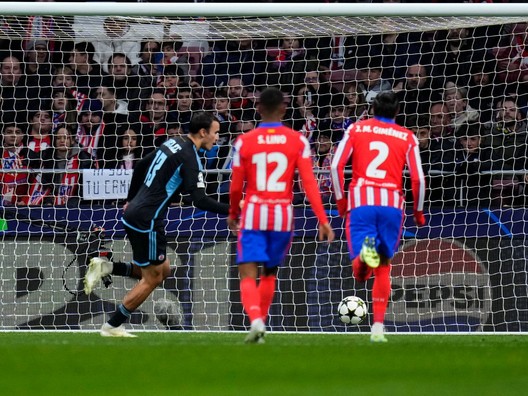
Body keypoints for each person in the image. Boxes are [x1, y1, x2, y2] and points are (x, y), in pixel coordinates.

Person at [83, 111, 229, 337]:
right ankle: (113, 325)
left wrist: (130, 199)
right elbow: (200, 200)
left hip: (136, 214)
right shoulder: (190, 157)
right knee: (153, 277)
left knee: (164, 268)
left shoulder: (173, 142)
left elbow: (141, 165)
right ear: (203, 132)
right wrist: (234, 210)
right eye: (216, 133)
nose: (217, 138)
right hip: (148, 220)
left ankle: (107, 267)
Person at [227, 87, 335, 343]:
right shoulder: (298, 141)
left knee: (247, 272)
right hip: (283, 214)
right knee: (270, 273)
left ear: (259, 109)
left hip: (254, 211)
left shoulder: (244, 141)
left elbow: (235, 185)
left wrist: (233, 212)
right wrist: (323, 219)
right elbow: (309, 183)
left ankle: (254, 320)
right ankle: (260, 325)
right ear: (285, 108)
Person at [330, 91, 426, 343]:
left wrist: (341, 201)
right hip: (392, 204)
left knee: (361, 273)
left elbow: (335, 165)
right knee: (383, 268)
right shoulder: (407, 136)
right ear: (397, 111)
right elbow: (418, 178)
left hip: (361, 200)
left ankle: (364, 259)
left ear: (372, 109)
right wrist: (418, 211)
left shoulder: (356, 129)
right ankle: (378, 329)